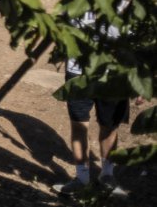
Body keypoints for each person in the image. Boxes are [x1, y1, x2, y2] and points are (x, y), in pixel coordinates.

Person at [53, 13, 129, 196]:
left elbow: (133, 41)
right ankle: (82, 178)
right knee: (78, 124)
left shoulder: (126, 0)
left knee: (109, 126)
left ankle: (107, 176)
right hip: (77, 72)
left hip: (112, 73)